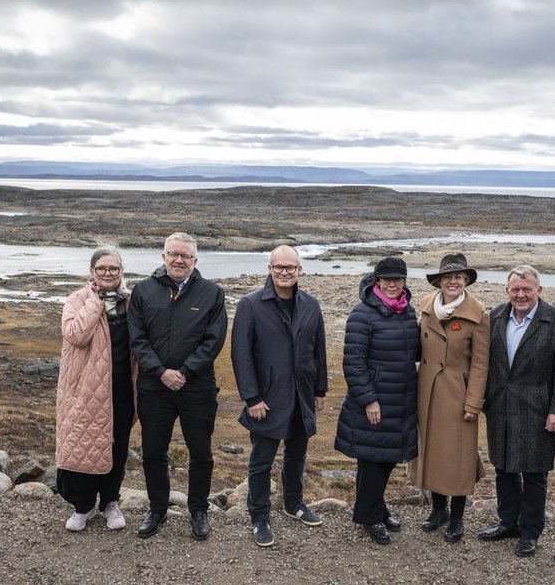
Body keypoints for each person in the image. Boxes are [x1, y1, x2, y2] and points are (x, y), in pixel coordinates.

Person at [128, 232, 228, 541]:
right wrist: (161, 372)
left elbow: (214, 340)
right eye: (173, 254)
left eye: (185, 255)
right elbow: (137, 338)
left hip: (197, 388)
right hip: (154, 388)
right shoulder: (143, 291)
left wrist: (184, 372)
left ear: (195, 260)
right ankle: (157, 509)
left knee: (201, 452)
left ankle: (198, 511)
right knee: (154, 452)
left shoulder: (212, 293)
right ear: (163, 257)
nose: (179, 259)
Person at [231, 245, 328, 548]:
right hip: (267, 399)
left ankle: (293, 503)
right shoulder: (251, 304)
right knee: (261, 462)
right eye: (279, 267)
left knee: (297, 455)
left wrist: (320, 389)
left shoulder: (310, 304)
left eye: (291, 267)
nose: (285, 272)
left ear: (300, 270)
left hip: (302, 395)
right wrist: (251, 397)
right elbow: (241, 354)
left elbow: (319, 350)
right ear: (269, 269)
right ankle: (259, 516)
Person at [480, 265, 555, 557]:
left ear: (539, 290)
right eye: (515, 290)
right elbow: (484, 363)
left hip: (538, 408)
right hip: (500, 406)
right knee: (503, 467)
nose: (521, 295)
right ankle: (509, 522)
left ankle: (530, 531)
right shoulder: (494, 316)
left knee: (534, 473)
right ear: (507, 291)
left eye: (526, 289)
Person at [335, 257, 420, 545]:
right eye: (387, 279)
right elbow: (353, 363)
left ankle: (378, 508)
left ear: (405, 281)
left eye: (398, 279)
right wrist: (369, 399)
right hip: (375, 403)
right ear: (376, 281)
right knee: (372, 461)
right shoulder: (362, 314)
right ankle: (369, 517)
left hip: (401, 400)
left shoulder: (407, 312)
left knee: (386, 460)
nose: (393, 284)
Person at [55, 248, 137, 531]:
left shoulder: (131, 301)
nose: (107, 273)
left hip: (123, 388)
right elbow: (76, 335)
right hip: (85, 390)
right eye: (101, 268)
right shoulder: (77, 299)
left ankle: (110, 503)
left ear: (121, 271)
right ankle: (83, 507)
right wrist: (95, 302)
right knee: (83, 443)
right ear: (92, 271)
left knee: (118, 445)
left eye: (113, 269)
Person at [412, 252, 490, 543]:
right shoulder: (426, 308)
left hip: (459, 393)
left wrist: (474, 403)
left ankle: (457, 517)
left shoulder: (478, 314)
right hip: (428, 391)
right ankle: (438, 510)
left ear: (466, 280)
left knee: (459, 455)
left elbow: (481, 364)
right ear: (440, 281)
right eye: (448, 277)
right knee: (432, 452)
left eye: (458, 277)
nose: (453, 281)